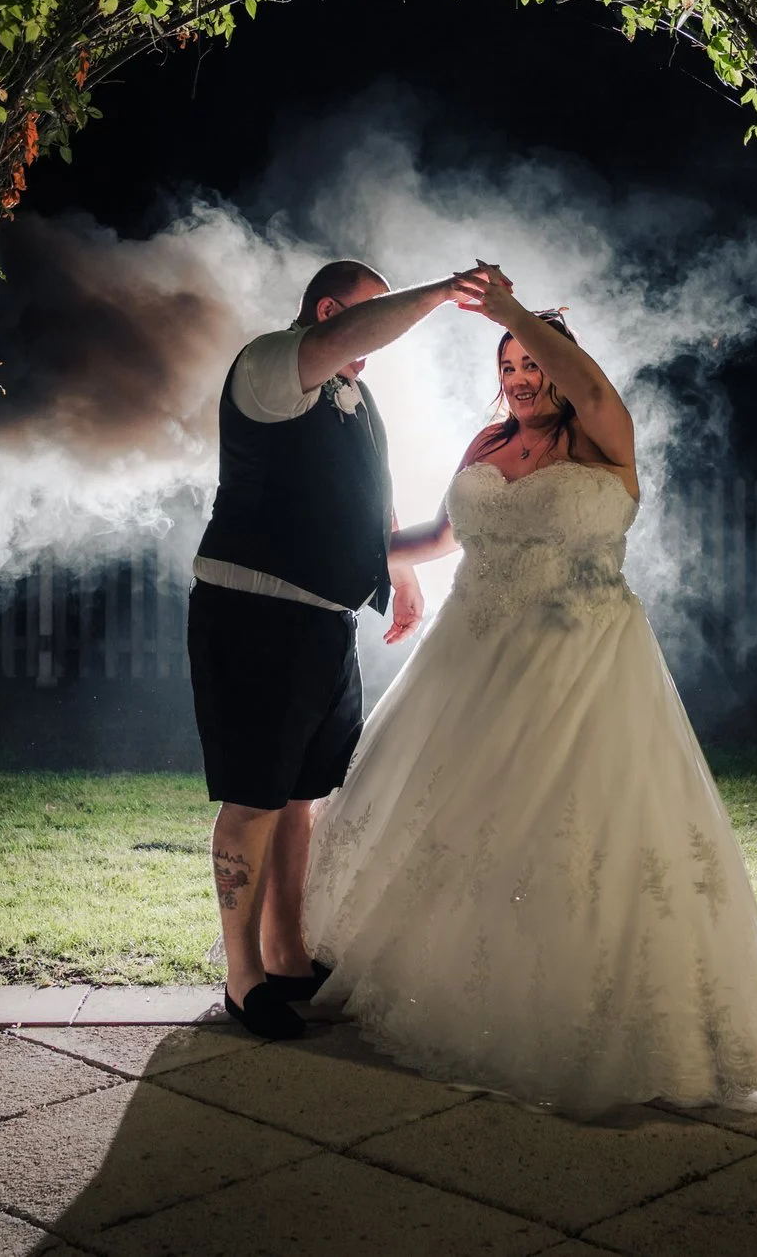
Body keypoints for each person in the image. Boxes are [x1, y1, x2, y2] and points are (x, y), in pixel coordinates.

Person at [302, 265, 757, 1115]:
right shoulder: (486, 444)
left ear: (562, 366)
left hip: (584, 668)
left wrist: (509, 310)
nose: (519, 378)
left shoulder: (604, 437)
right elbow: (437, 534)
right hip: (469, 668)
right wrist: (357, 550)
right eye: (507, 366)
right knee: (459, 827)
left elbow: (591, 387)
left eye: (533, 363)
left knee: (583, 839)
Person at [190, 256, 487, 1040]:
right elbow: (347, 342)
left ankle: (288, 958)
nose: (377, 345)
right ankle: (242, 978)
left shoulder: (358, 399)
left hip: (326, 623)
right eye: (367, 318)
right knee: (254, 798)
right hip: (253, 612)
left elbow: (370, 504)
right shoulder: (269, 363)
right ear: (328, 313)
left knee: (302, 798)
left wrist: (400, 571)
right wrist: (441, 291)